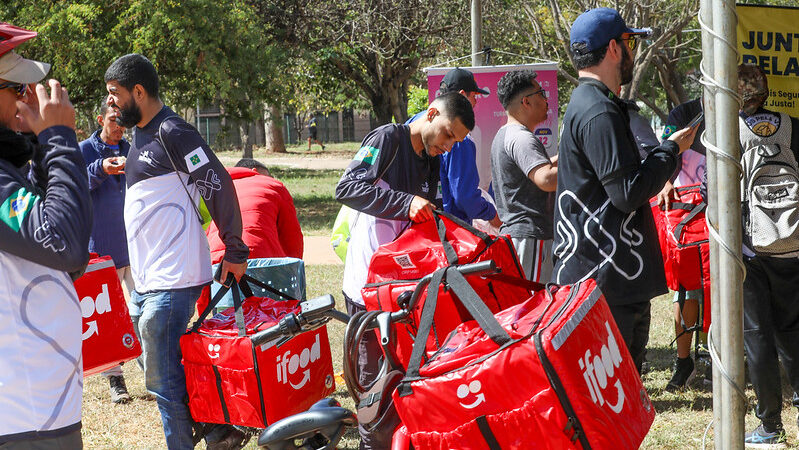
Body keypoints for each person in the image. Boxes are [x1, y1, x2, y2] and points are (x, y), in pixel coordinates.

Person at [104, 53, 249, 449]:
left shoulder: (173, 130)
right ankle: (218, 430)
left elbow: (216, 181)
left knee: (164, 382)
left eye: (115, 94)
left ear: (138, 91)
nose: (111, 103)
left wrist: (235, 249)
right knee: (161, 368)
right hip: (148, 279)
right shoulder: (141, 135)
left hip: (174, 275)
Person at [552, 7, 698, 372]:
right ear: (614, 48)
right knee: (614, 388)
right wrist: (670, 150)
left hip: (606, 273)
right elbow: (628, 192)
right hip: (605, 279)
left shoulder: (592, 103)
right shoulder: (599, 110)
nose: (633, 52)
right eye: (630, 42)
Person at [335, 92, 474, 449]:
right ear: (432, 113)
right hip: (368, 289)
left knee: (404, 378)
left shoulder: (431, 157)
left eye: (456, 142)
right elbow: (347, 188)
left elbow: (428, 215)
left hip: (404, 290)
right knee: (375, 384)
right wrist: (406, 202)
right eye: (448, 134)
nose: (448, 146)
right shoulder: (388, 139)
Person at [0, 23, 91, 449]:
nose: (28, 97)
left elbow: (60, 247)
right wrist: (58, 139)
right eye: (17, 87)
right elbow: (65, 243)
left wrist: (39, 146)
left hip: (36, 408)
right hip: (24, 415)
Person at [735, 63, 799, 449]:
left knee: (757, 334)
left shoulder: (728, 132)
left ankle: (770, 425)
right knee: (793, 330)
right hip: (792, 244)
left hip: (751, 249)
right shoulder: (792, 125)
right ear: (767, 92)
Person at [79, 101, 134, 404]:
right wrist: (100, 168)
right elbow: (75, 186)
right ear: (100, 119)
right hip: (100, 248)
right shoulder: (85, 150)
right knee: (108, 320)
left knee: (143, 311)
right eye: (114, 120)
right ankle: (115, 379)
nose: (119, 127)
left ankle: (156, 373)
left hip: (134, 247)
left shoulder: (131, 148)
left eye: (123, 121)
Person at [406, 68, 501, 227]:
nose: (448, 146)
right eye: (474, 96)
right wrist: (491, 214)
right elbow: (465, 196)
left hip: (415, 223)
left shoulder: (415, 122)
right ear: (463, 95)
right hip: (449, 228)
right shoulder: (459, 139)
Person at [658, 96, 708, 391]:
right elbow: (666, 151)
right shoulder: (684, 113)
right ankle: (683, 360)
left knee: (721, 288)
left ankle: (717, 358)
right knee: (686, 288)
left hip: (726, 210)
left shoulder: (736, 109)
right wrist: (665, 182)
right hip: (687, 210)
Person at [490, 69, 558, 282]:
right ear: (526, 102)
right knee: (534, 300)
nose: (546, 100)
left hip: (520, 236)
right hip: (530, 237)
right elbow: (546, 179)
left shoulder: (506, 134)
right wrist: (582, 166)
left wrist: (569, 155)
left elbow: (538, 169)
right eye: (541, 94)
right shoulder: (521, 138)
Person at [206, 158, 303, 263]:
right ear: (254, 171)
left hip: (218, 259)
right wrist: (292, 266)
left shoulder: (216, 188)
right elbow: (292, 238)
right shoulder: (274, 185)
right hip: (262, 258)